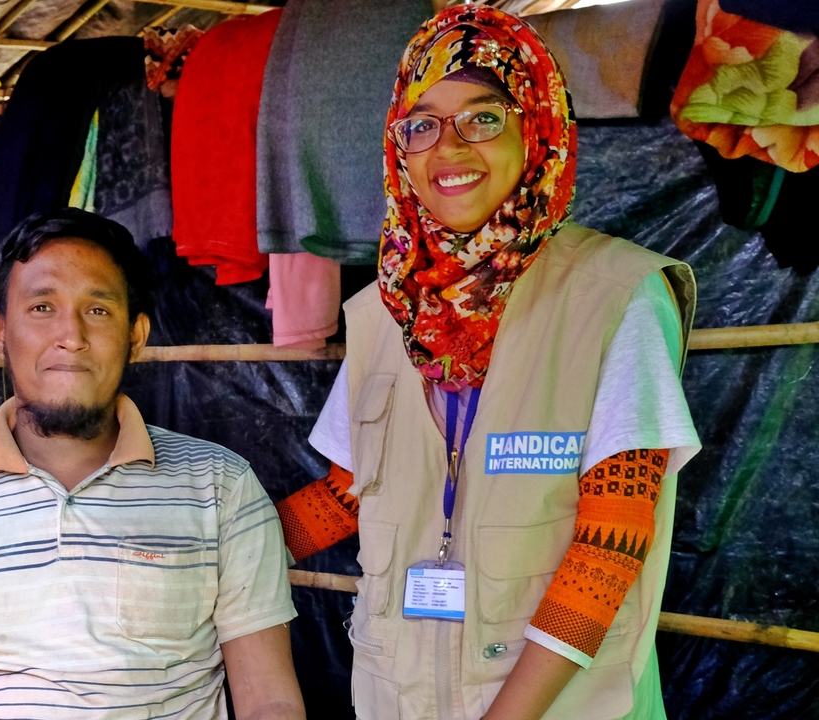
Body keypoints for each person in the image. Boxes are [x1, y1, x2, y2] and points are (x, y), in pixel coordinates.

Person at [273, 6, 700, 719]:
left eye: (482, 116)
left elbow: (611, 545)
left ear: (536, 122)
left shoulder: (616, 295)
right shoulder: (385, 313)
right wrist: (206, 538)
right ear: (397, 146)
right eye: (423, 122)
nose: (449, 146)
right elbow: (348, 494)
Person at [0, 208, 304, 719]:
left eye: (98, 310)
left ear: (136, 336)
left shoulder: (221, 488)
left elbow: (269, 701)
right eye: (41, 307)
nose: (71, 335)